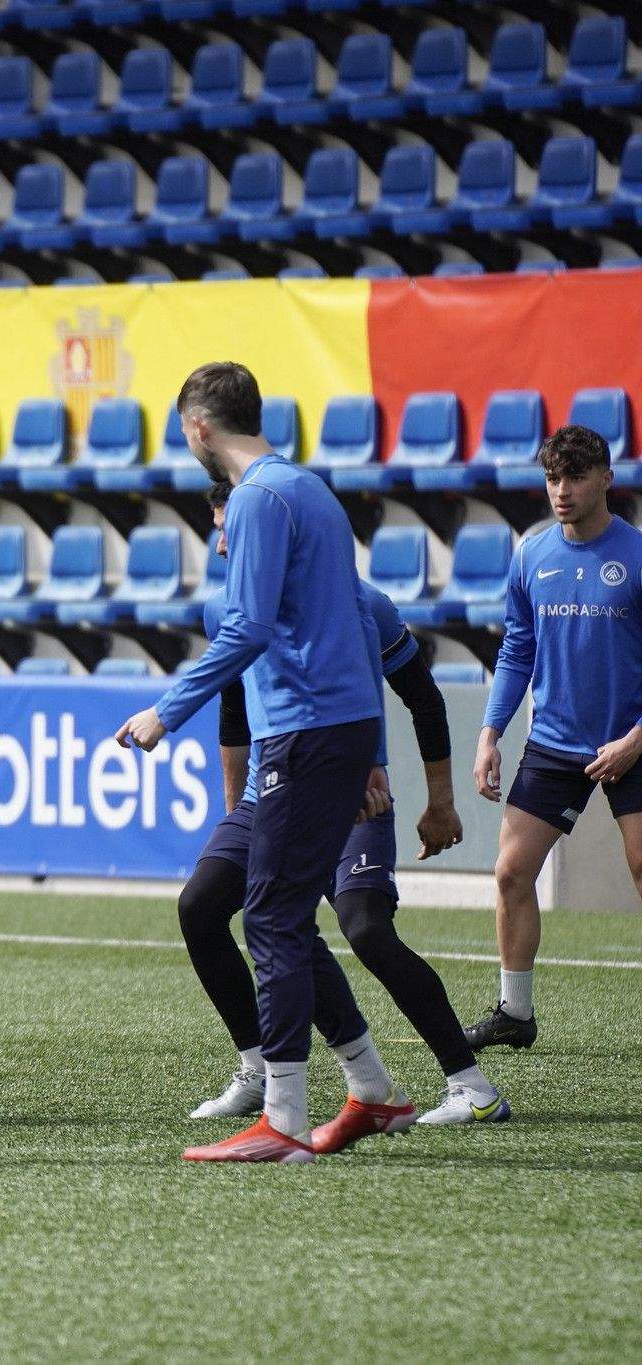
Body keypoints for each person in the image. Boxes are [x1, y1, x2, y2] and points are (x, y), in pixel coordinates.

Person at [117, 361, 402, 1164]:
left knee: (272, 918)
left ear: (199, 427)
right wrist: (371, 751)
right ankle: (373, 1089)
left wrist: (163, 712)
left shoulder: (256, 499)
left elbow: (243, 630)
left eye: (184, 431)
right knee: (279, 913)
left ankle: (282, 1121)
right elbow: (349, 621)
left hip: (306, 732)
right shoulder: (308, 488)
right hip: (331, 726)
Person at [179, 482, 507, 1130]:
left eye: (230, 528)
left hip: (353, 794)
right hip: (268, 794)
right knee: (200, 906)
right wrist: (232, 808)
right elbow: (235, 707)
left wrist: (440, 802)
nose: (222, 541)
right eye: (218, 527)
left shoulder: (363, 605)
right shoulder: (225, 609)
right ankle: (258, 1071)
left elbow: (423, 698)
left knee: (365, 929)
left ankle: (472, 1086)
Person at [469, 424, 642, 1051]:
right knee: (512, 872)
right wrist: (491, 732)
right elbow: (517, 649)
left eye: (574, 477)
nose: (561, 490)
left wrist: (635, 742)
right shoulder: (532, 555)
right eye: (552, 478)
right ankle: (515, 1013)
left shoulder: (638, 554)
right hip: (554, 743)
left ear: (605, 480)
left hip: (634, 741)